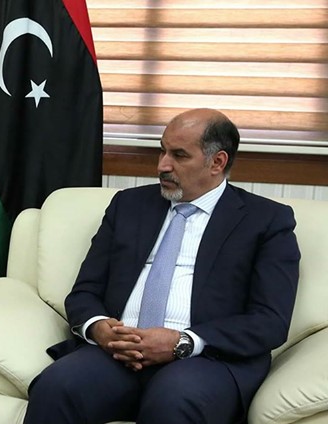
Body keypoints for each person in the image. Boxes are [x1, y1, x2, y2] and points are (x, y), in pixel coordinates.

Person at [24, 109, 300, 423]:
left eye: (179, 155)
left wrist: (184, 342)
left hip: (205, 360)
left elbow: (270, 321)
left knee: (174, 400)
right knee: (56, 386)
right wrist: (98, 327)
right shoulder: (129, 205)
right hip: (117, 353)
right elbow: (85, 290)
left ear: (217, 162)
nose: (162, 165)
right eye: (162, 151)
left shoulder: (265, 220)